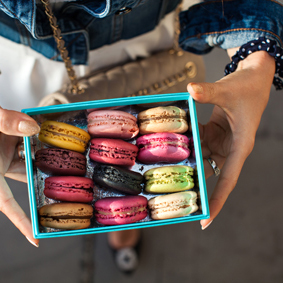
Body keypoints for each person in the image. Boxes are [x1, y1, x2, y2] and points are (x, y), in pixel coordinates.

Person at [0, 0, 282, 273]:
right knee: (104, 188)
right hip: (28, 66)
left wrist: (256, 50)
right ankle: (124, 221)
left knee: (127, 195)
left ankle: (126, 225)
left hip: (145, 41)